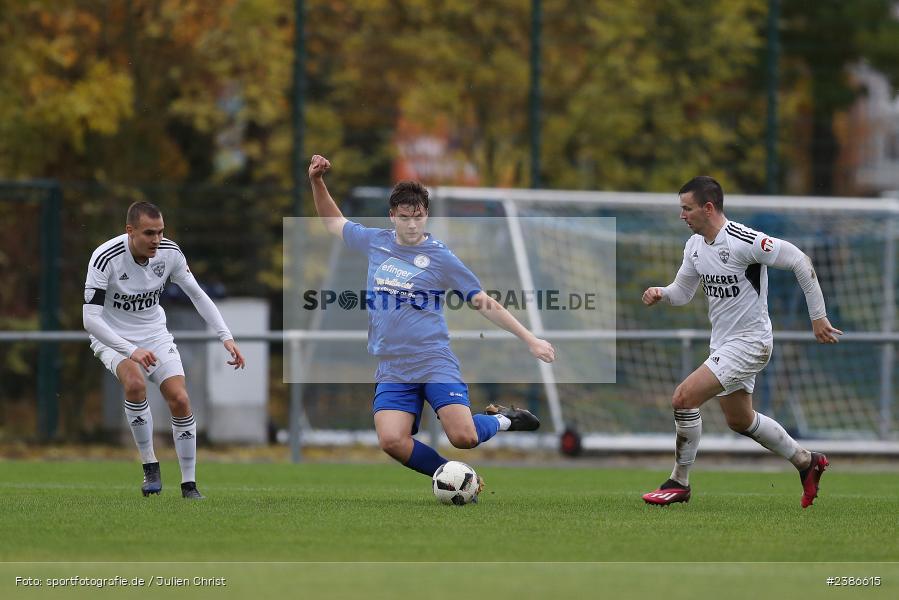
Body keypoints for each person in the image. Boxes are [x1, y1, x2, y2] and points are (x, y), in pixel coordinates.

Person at [308, 154, 555, 483]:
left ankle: (503, 420)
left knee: (463, 437)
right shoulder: (374, 241)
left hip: (432, 359)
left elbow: (481, 300)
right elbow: (332, 223)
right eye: (405, 217)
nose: (412, 224)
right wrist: (317, 181)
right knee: (391, 440)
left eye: (419, 217)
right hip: (393, 365)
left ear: (426, 216)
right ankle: (452, 476)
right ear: (392, 216)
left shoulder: (440, 257)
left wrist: (530, 338)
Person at [641, 176, 841, 508]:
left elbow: (799, 261)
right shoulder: (694, 247)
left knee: (683, 398)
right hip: (723, 345)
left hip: (750, 343)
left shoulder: (743, 241)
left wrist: (818, 317)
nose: (682, 216)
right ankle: (807, 462)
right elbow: (683, 293)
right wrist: (661, 293)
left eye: (686, 208)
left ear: (708, 208)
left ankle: (679, 482)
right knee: (740, 420)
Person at [83, 201, 245, 499]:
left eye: (160, 232)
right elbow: (90, 319)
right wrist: (131, 350)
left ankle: (189, 485)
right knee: (134, 384)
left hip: (154, 334)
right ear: (129, 231)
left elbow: (197, 295)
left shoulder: (170, 253)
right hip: (112, 334)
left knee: (181, 400)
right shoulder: (105, 257)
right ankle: (150, 466)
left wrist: (226, 336)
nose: (156, 240)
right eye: (148, 233)